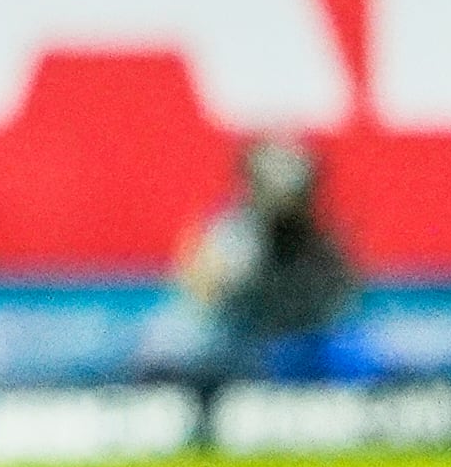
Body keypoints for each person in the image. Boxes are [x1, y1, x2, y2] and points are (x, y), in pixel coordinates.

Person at [158, 136, 374, 382]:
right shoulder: (225, 236)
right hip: (234, 344)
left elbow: (344, 305)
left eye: (294, 193)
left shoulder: (328, 244)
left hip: (306, 347)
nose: (283, 205)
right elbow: (200, 301)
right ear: (252, 185)